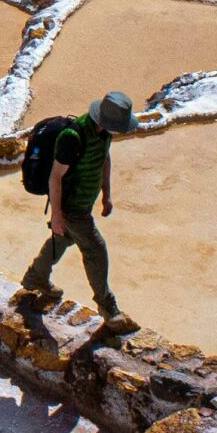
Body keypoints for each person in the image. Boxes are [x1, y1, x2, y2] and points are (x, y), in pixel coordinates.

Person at [15, 91, 139, 336]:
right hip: (71, 206)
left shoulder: (103, 134)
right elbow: (55, 177)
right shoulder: (73, 137)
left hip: (84, 203)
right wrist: (58, 216)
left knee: (63, 239)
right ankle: (108, 309)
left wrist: (107, 194)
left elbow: (104, 160)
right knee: (95, 249)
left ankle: (35, 277)